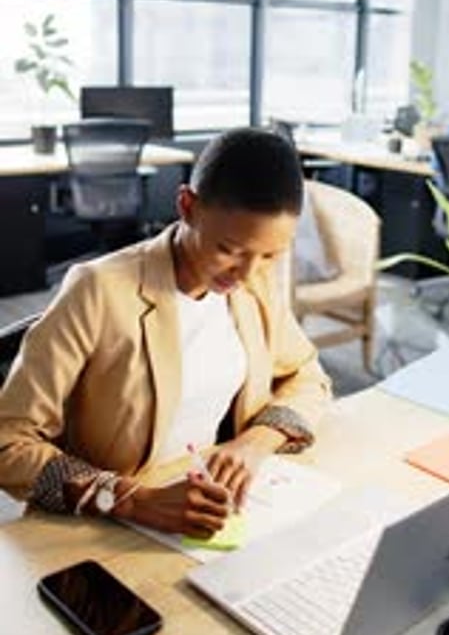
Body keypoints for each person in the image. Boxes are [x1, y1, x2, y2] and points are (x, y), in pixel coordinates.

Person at [0, 128, 331, 539]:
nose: (247, 273)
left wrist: (254, 443)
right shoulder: (97, 291)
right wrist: (131, 500)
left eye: (269, 254)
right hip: (100, 526)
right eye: (230, 249)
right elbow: (8, 442)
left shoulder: (254, 282)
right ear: (187, 206)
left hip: (208, 511)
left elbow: (308, 376)